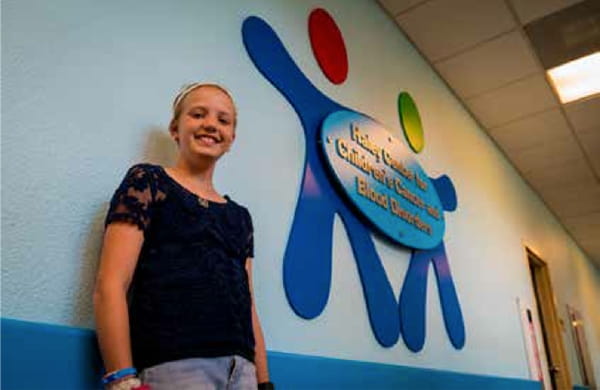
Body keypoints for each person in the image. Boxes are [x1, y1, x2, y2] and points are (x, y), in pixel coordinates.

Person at [93, 83, 272, 390]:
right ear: (175, 129)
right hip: (174, 365)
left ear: (231, 139)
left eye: (223, 120)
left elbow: (249, 306)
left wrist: (264, 382)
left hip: (242, 373)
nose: (211, 125)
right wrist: (122, 379)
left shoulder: (240, 216)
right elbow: (110, 284)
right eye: (198, 114)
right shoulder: (148, 182)